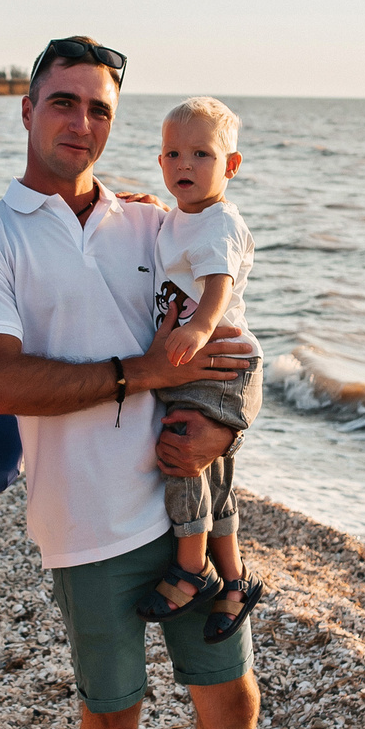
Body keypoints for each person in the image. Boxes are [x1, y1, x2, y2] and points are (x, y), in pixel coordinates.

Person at [0, 36, 321, 729]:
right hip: (83, 524)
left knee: (229, 696)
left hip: (184, 508)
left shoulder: (157, 221)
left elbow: (236, 339)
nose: (80, 123)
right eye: (63, 102)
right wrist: (138, 375)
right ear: (25, 111)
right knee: (111, 717)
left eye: (100, 109)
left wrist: (208, 428)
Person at [136, 96, 264, 643]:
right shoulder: (179, 219)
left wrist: (197, 328)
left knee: (182, 455)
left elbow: (218, 286)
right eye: (172, 153)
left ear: (230, 166)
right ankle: (235, 580)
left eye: (201, 154)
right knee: (212, 474)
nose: (184, 165)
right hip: (206, 362)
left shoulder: (218, 224)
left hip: (219, 360)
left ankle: (193, 566)